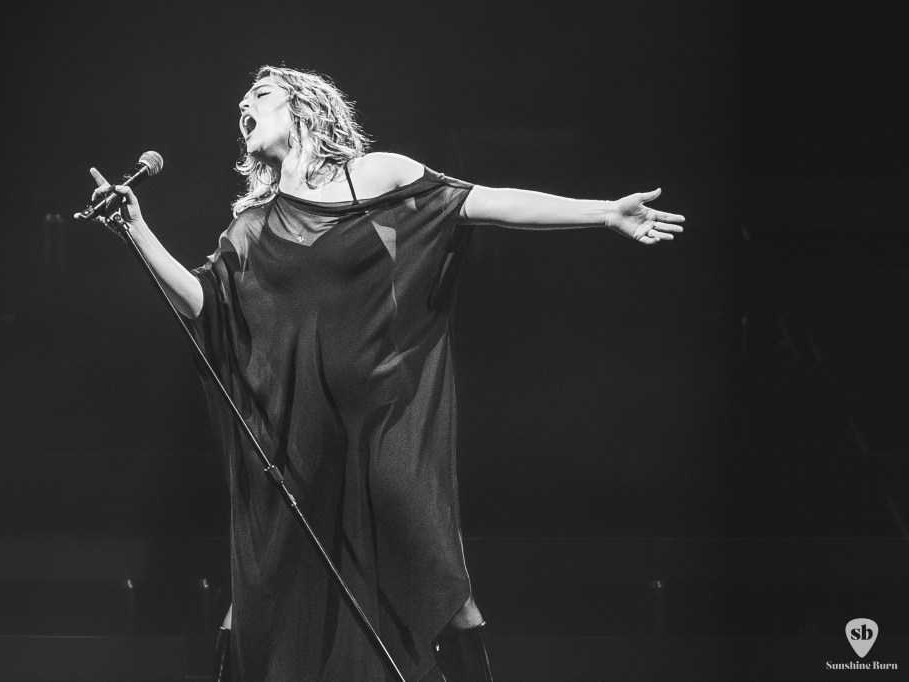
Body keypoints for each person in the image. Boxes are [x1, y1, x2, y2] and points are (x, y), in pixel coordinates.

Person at [88, 65, 684, 682]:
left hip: (381, 420)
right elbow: (204, 305)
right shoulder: (251, 228)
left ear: (306, 108)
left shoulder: (373, 176)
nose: (244, 106)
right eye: (242, 102)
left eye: (260, 95)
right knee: (267, 586)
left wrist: (604, 212)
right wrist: (136, 228)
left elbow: (482, 203)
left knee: (433, 572)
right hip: (296, 436)